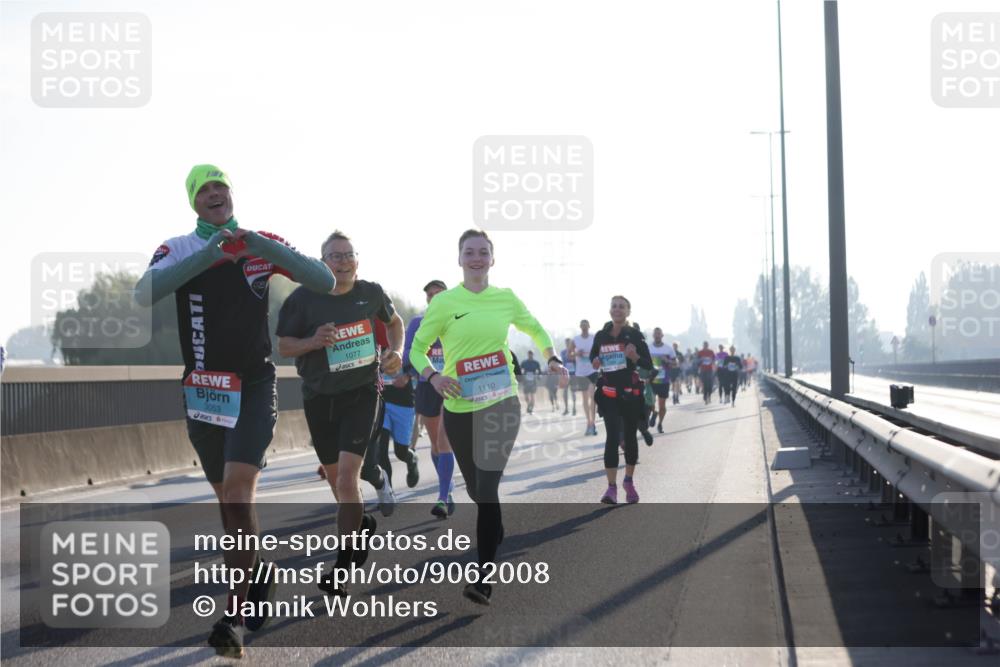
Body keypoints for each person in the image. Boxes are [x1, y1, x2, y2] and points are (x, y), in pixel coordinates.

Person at [135, 164, 335, 658]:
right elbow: (144, 294)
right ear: (193, 202)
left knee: (241, 490)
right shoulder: (179, 247)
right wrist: (211, 254)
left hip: (253, 385)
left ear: (231, 194)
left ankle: (233, 616)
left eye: (219, 186)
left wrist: (258, 247)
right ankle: (258, 571)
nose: (214, 194)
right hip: (203, 390)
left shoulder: (257, 242)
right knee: (229, 502)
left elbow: (325, 280)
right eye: (203, 190)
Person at [409, 229, 568, 605]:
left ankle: (483, 579)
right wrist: (433, 375)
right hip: (460, 408)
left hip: (501, 404)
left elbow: (535, 328)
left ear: (492, 259)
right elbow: (417, 350)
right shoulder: (445, 303)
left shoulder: (506, 299)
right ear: (460, 259)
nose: (476, 257)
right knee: (480, 492)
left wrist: (552, 356)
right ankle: (493, 527)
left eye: (483, 252)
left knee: (488, 487)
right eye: (469, 252)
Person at [275, 230, 404, 597]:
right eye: (335, 256)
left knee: (348, 480)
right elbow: (283, 345)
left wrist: (396, 350)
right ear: (322, 262)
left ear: (357, 261)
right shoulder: (303, 299)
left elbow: (394, 324)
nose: (344, 262)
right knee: (338, 486)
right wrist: (314, 341)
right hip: (319, 398)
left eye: (349, 255)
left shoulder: (372, 293)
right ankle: (360, 522)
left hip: (362, 394)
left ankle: (341, 569)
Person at [590, 296, 652, 504]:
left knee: (631, 438)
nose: (617, 310)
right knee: (612, 438)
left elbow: (648, 365)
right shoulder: (601, 335)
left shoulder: (634, 335)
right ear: (610, 310)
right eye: (614, 306)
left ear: (628, 311)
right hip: (608, 394)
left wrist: (634, 358)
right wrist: (596, 361)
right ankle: (611, 488)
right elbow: (593, 358)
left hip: (630, 394)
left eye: (622, 307)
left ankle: (628, 481)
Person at [404, 280, 456, 519]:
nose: (434, 297)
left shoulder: (458, 319)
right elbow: (408, 354)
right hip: (427, 386)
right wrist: (407, 369)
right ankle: (448, 488)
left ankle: (443, 496)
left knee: (445, 439)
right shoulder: (417, 322)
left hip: (454, 386)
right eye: (430, 295)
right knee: (436, 442)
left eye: (439, 293)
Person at [573, 320, 599, 436]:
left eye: (585, 325)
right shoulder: (576, 340)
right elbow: (569, 354)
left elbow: (599, 351)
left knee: (592, 396)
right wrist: (576, 354)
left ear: (589, 326)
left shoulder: (594, 338)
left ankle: (593, 422)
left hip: (592, 370)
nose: (584, 327)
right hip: (581, 372)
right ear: (580, 327)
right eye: (582, 325)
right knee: (584, 399)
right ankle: (588, 422)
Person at [647, 327, 675, 433]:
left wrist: (667, 360)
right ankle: (654, 413)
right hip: (652, 380)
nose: (657, 335)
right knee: (651, 402)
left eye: (659, 334)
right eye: (656, 334)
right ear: (653, 335)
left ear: (662, 335)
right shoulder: (648, 348)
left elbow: (675, 363)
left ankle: (660, 424)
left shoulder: (668, 349)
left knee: (662, 405)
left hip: (664, 381)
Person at [560, 339, 577, 416]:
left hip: (573, 374)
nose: (567, 344)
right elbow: (564, 360)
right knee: (565, 392)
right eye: (566, 343)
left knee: (573, 391)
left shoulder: (575, 351)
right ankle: (566, 409)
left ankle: (574, 408)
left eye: (569, 343)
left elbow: (576, 361)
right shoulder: (563, 352)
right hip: (565, 374)